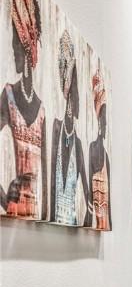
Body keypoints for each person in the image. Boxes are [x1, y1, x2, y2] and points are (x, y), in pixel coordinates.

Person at [0, 0, 47, 220]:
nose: (13, 49)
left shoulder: (42, 110)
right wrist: (2, 197)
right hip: (15, 208)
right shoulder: (8, 94)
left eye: (16, 44)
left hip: (36, 214)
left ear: (26, 47)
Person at [50, 30, 90, 226]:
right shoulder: (56, 129)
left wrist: (89, 215)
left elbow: (87, 194)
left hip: (72, 222)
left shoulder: (79, 144)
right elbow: (50, 182)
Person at [88, 69, 111, 230]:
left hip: (102, 220)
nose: (104, 125)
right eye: (101, 120)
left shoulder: (105, 156)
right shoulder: (92, 148)